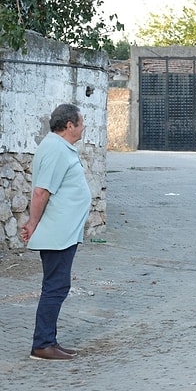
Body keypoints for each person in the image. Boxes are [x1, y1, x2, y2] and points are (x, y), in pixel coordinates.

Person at [20, 103, 92, 360]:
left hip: (63, 232)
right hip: (57, 233)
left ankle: (49, 340)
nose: (84, 127)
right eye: (81, 122)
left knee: (57, 285)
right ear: (69, 125)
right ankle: (42, 344)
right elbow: (41, 191)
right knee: (55, 287)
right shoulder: (55, 149)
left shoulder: (60, 147)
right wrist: (32, 223)